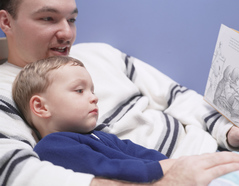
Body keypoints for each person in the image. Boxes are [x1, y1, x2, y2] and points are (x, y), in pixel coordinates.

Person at [0, 0, 239, 185]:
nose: (67, 33)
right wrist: (166, 179)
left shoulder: (100, 53)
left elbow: (175, 96)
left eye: (72, 19)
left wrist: (228, 131)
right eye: (47, 19)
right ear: (6, 22)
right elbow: (21, 173)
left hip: (217, 149)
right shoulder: (6, 90)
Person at [12, 56, 175, 183]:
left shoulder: (100, 135)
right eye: (79, 90)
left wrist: (176, 165)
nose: (94, 98)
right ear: (41, 107)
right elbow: (108, 171)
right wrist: (164, 168)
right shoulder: (52, 147)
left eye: (93, 91)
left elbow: (138, 152)